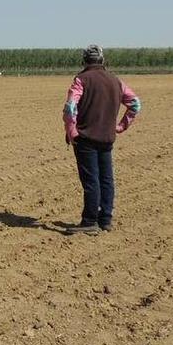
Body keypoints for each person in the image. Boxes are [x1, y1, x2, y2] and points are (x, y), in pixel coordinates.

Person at [62, 45, 141, 235]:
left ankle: (89, 221)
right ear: (103, 60)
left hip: (86, 137)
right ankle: (105, 219)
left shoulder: (81, 79)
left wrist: (71, 131)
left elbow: (71, 107)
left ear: (84, 61)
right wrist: (121, 125)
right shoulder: (116, 81)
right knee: (106, 179)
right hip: (107, 137)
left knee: (91, 180)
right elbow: (135, 104)